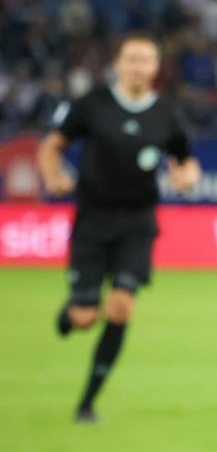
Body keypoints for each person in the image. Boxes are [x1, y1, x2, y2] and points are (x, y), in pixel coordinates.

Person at [37, 32, 200, 423]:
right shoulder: (92, 104)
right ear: (118, 64)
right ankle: (71, 313)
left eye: (146, 60)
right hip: (93, 220)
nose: (138, 66)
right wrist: (53, 175)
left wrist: (186, 176)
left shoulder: (166, 113)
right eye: (132, 59)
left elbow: (184, 159)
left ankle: (87, 403)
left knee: (122, 306)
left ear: (156, 68)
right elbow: (52, 145)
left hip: (138, 222)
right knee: (84, 317)